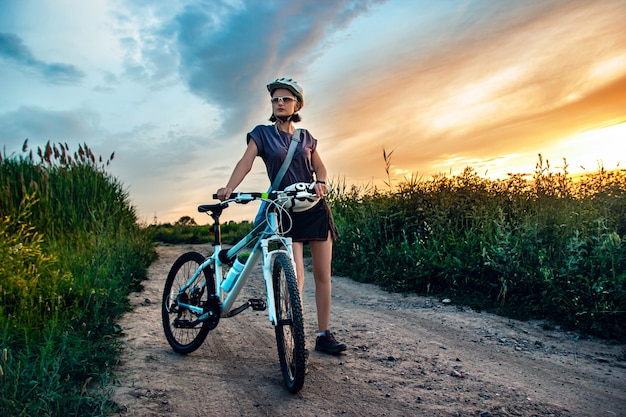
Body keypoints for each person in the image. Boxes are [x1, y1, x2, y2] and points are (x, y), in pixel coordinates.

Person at [216, 77, 347, 355]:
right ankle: (295, 332)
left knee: (323, 274)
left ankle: (323, 334)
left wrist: (321, 182)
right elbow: (246, 162)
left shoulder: (307, 138)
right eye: (275, 99)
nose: (279, 103)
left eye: (285, 99)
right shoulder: (261, 134)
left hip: (313, 206)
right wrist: (230, 187)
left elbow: (320, 168)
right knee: (295, 274)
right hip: (284, 210)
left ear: (297, 104)